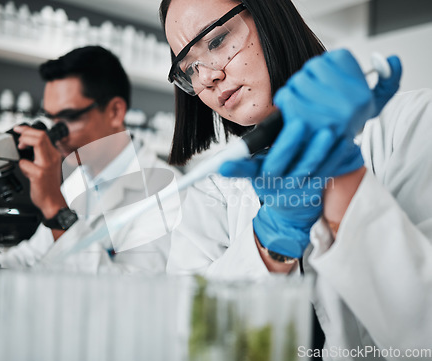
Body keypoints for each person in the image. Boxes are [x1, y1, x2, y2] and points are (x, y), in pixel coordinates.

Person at [160, 0, 432, 357]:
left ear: (270, 14)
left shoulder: (410, 123)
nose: (207, 77)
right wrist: (269, 244)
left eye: (215, 41)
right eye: (189, 67)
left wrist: (344, 184)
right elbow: (189, 341)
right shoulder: (215, 187)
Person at [0, 46, 181, 274]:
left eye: (68, 118)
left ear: (115, 112)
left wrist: (55, 209)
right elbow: (31, 258)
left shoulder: (167, 193)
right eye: (51, 119)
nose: (57, 135)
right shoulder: (78, 183)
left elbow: (129, 295)